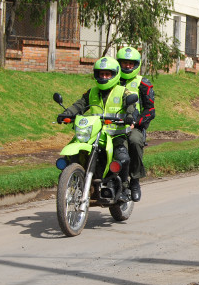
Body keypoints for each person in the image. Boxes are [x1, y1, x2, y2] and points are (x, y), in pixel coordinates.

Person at [59, 56, 138, 202]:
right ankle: (70, 182)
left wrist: (130, 116)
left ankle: (124, 188)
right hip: (94, 134)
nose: (104, 77)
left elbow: (132, 106)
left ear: (114, 74)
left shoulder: (123, 92)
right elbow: (79, 105)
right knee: (70, 153)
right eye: (101, 74)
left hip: (115, 135)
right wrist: (66, 114)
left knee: (123, 159)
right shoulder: (92, 92)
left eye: (107, 74)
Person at [116, 46, 155, 202]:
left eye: (131, 64)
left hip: (134, 126)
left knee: (133, 141)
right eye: (125, 63)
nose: (128, 66)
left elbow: (150, 110)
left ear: (137, 65)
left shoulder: (143, 83)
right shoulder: (112, 79)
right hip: (111, 124)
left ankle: (134, 181)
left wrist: (137, 122)